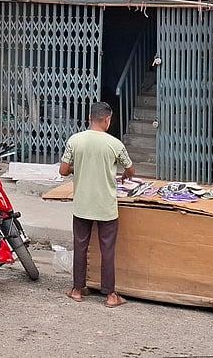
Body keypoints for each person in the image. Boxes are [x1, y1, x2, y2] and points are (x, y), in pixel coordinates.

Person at [59, 102, 133, 308]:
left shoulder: (75, 140)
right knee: (107, 249)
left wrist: (79, 166)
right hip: (106, 207)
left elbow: (63, 170)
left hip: (82, 204)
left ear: (89, 118)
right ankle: (110, 295)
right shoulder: (115, 144)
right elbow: (130, 169)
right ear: (108, 120)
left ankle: (76, 290)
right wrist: (124, 176)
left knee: (80, 246)